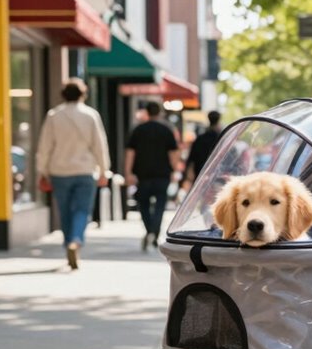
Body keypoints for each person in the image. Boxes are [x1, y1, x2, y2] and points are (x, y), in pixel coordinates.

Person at [36, 78, 110, 270]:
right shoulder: (90, 115)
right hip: (85, 170)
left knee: (65, 210)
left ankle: (68, 241)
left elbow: (45, 146)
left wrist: (42, 170)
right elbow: (99, 145)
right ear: (83, 94)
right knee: (82, 210)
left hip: (59, 171)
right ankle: (76, 239)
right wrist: (104, 170)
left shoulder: (54, 115)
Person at [124, 101, 181, 250]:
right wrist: (174, 170)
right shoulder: (166, 130)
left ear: (147, 112)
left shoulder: (138, 130)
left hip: (143, 175)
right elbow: (174, 153)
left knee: (143, 204)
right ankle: (154, 231)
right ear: (159, 112)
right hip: (162, 174)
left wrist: (128, 172)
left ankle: (150, 229)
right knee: (160, 205)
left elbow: (130, 153)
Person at [183, 110, 222, 193]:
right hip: (216, 174)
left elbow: (192, 157)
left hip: (200, 172)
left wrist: (188, 172)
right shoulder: (221, 138)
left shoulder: (200, 138)